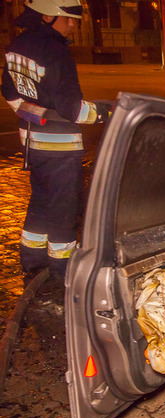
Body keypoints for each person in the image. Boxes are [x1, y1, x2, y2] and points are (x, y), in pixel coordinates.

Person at [1, 0, 111, 281]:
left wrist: (35, 115)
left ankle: (33, 260)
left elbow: (9, 93)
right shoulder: (56, 52)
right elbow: (72, 109)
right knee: (64, 210)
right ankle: (63, 271)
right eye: (68, 18)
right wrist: (105, 112)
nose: (72, 24)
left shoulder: (17, 45)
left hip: (32, 143)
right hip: (60, 148)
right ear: (48, 16)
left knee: (40, 201)